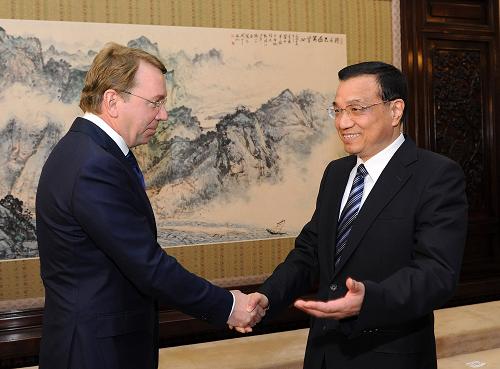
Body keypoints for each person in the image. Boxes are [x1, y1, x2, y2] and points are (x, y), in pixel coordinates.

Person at [36, 43, 263, 369]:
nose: (163, 114)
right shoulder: (92, 165)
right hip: (94, 353)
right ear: (113, 101)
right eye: (155, 102)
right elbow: (148, 266)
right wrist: (227, 305)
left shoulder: (85, 151)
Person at [246, 61, 468, 369]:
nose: (343, 122)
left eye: (356, 109)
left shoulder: (435, 175)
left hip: (389, 356)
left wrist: (370, 300)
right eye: (337, 110)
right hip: (324, 354)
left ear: (395, 110)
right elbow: (310, 251)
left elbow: (436, 273)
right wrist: (267, 296)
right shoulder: (336, 174)